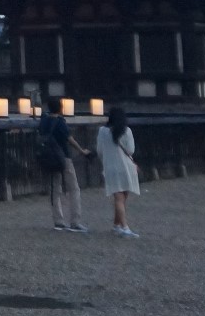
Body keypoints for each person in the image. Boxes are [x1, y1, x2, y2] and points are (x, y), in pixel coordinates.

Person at [39, 97, 92, 233]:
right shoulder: (60, 122)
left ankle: (58, 220)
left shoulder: (44, 121)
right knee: (73, 188)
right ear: (60, 108)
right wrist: (81, 150)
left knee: (54, 189)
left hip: (49, 157)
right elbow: (69, 139)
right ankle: (75, 221)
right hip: (64, 157)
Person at [96, 104, 141, 237]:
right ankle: (124, 227)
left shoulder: (102, 131)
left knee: (118, 198)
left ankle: (118, 225)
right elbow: (131, 150)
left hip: (111, 167)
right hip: (126, 167)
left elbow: (99, 150)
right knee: (122, 198)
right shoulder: (126, 131)